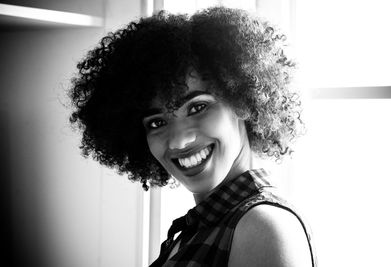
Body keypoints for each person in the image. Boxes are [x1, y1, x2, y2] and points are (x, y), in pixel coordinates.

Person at [68, 6, 316, 267]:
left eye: (197, 107)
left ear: (242, 101)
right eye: (157, 122)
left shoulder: (263, 227)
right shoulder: (200, 227)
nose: (178, 141)